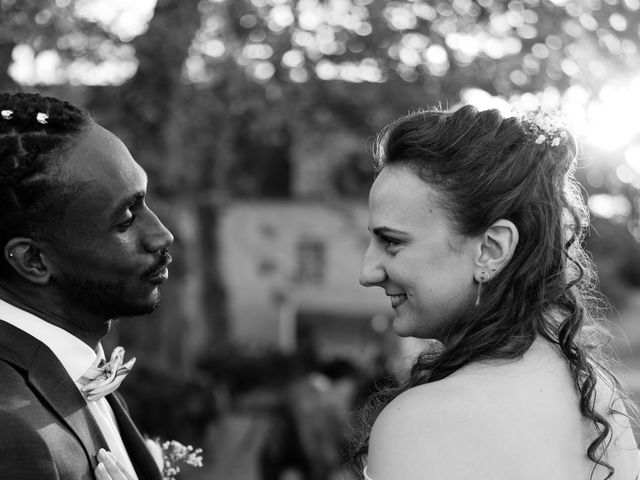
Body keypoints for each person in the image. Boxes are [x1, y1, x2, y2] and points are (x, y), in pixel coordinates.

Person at [355, 105, 640, 480]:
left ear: (491, 248)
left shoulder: (422, 421)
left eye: (391, 242)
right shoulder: (600, 403)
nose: (367, 272)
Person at [0, 92, 173, 479]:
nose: (162, 236)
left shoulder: (70, 370)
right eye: (126, 219)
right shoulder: (13, 430)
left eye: (144, 201)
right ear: (33, 260)